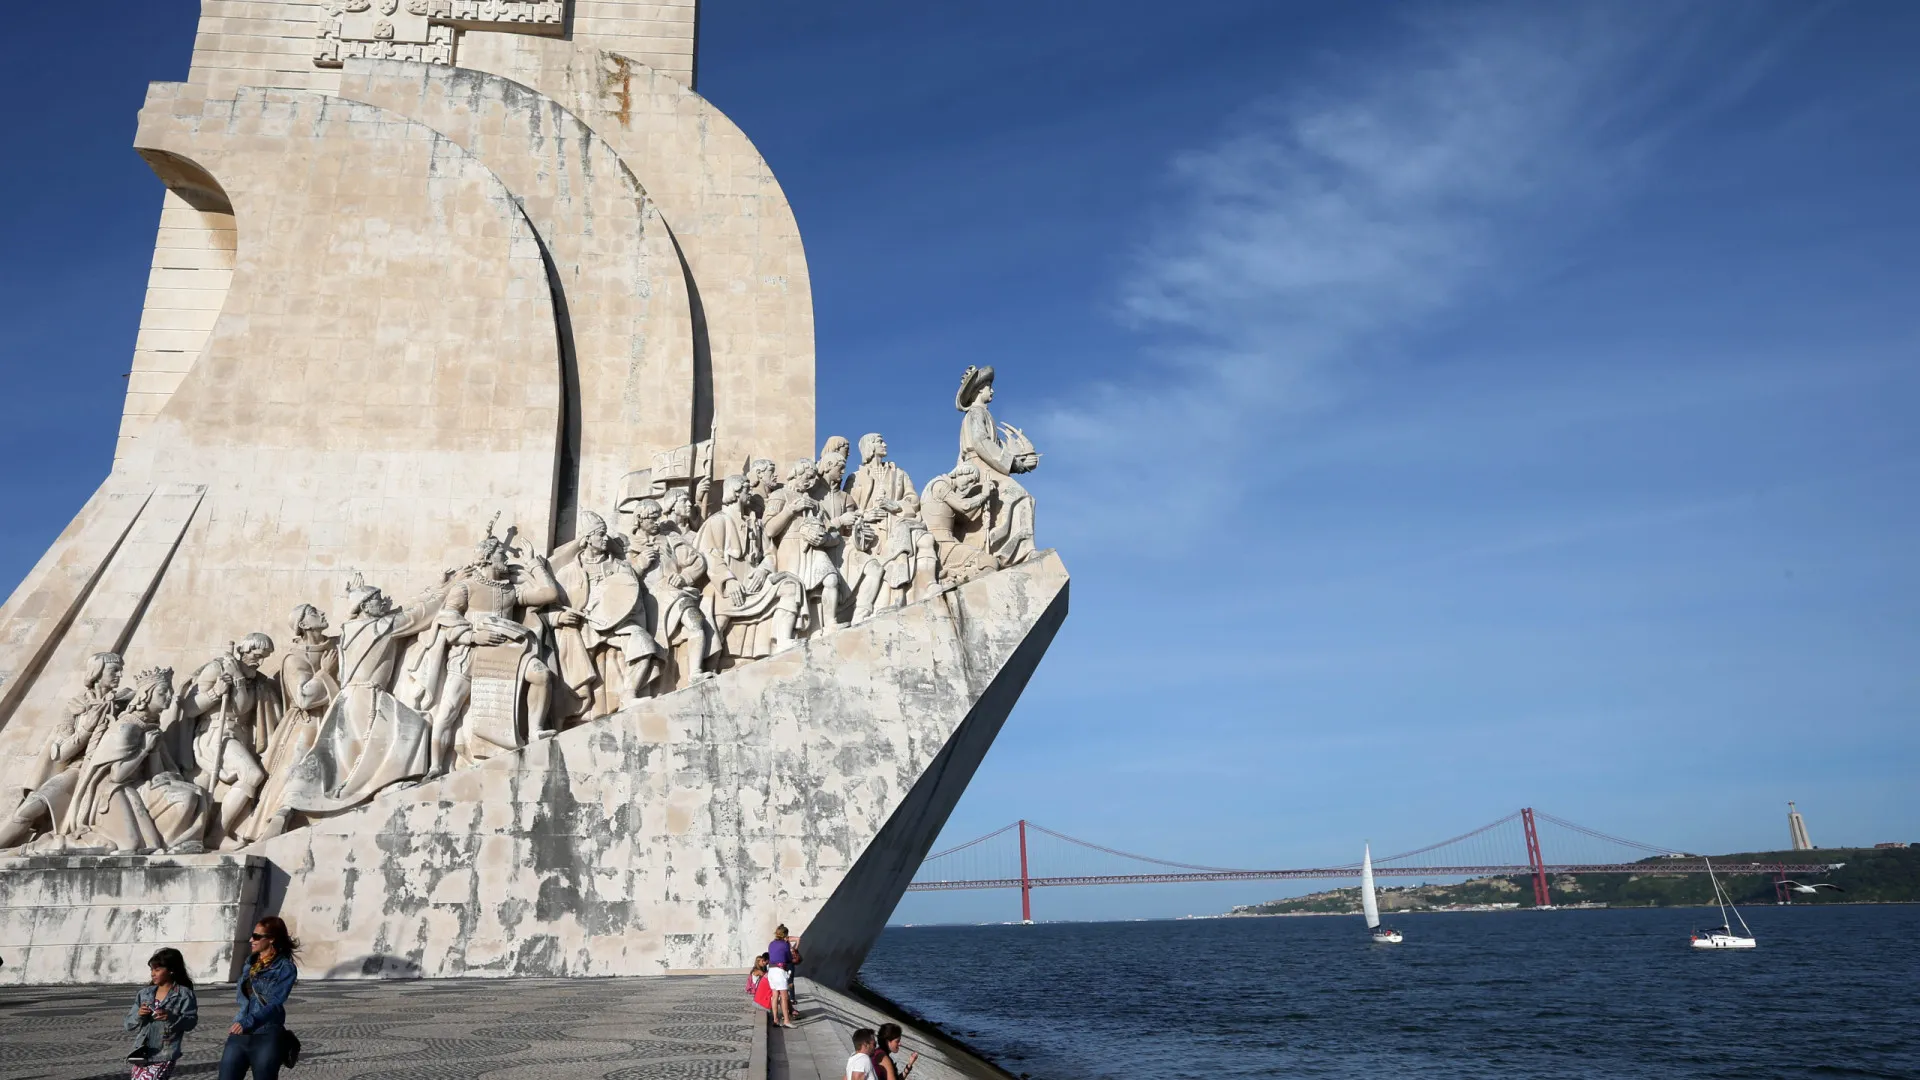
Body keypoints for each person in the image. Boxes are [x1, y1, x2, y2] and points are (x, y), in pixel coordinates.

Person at [219, 916, 298, 1080]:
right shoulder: (250, 964)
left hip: (266, 1035)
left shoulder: (285, 968)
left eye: (256, 936)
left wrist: (248, 1022)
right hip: (240, 1034)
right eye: (252, 935)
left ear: (271, 939)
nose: (251, 940)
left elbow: (276, 1003)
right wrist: (242, 1022)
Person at [125, 947, 199, 1080]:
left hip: (164, 1053)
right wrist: (139, 1015)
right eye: (151, 970)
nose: (153, 974)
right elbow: (128, 1024)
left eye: (157, 970)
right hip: (141, 1053)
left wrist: (171, 1018)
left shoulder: (184, 994)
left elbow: (191, 1022)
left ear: (171, 970)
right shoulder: (144, 994)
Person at [767, 924, 798, 1028]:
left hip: (771, 971)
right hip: (779, 972)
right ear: (785, 934)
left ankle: (775, 1019)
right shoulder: (785, 944)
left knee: (775, 995)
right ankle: (786, 1021)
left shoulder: (771, 944)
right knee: (784, 997)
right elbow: (788, 958)